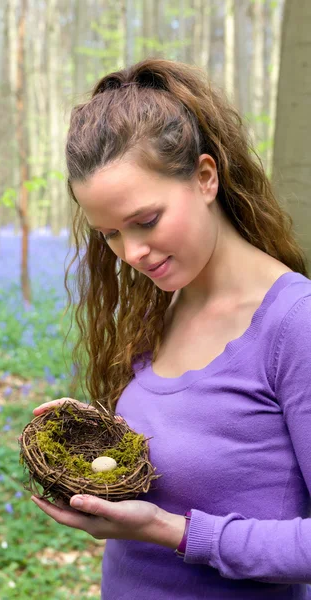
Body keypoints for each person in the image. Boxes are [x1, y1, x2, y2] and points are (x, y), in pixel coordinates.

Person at [30, 59, 311, 599]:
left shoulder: (293, 324)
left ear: (206, 177)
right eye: (110, 233)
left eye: (147, 220)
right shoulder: (166, 302)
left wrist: (173, 532)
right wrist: (99, 449)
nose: (131, 253)